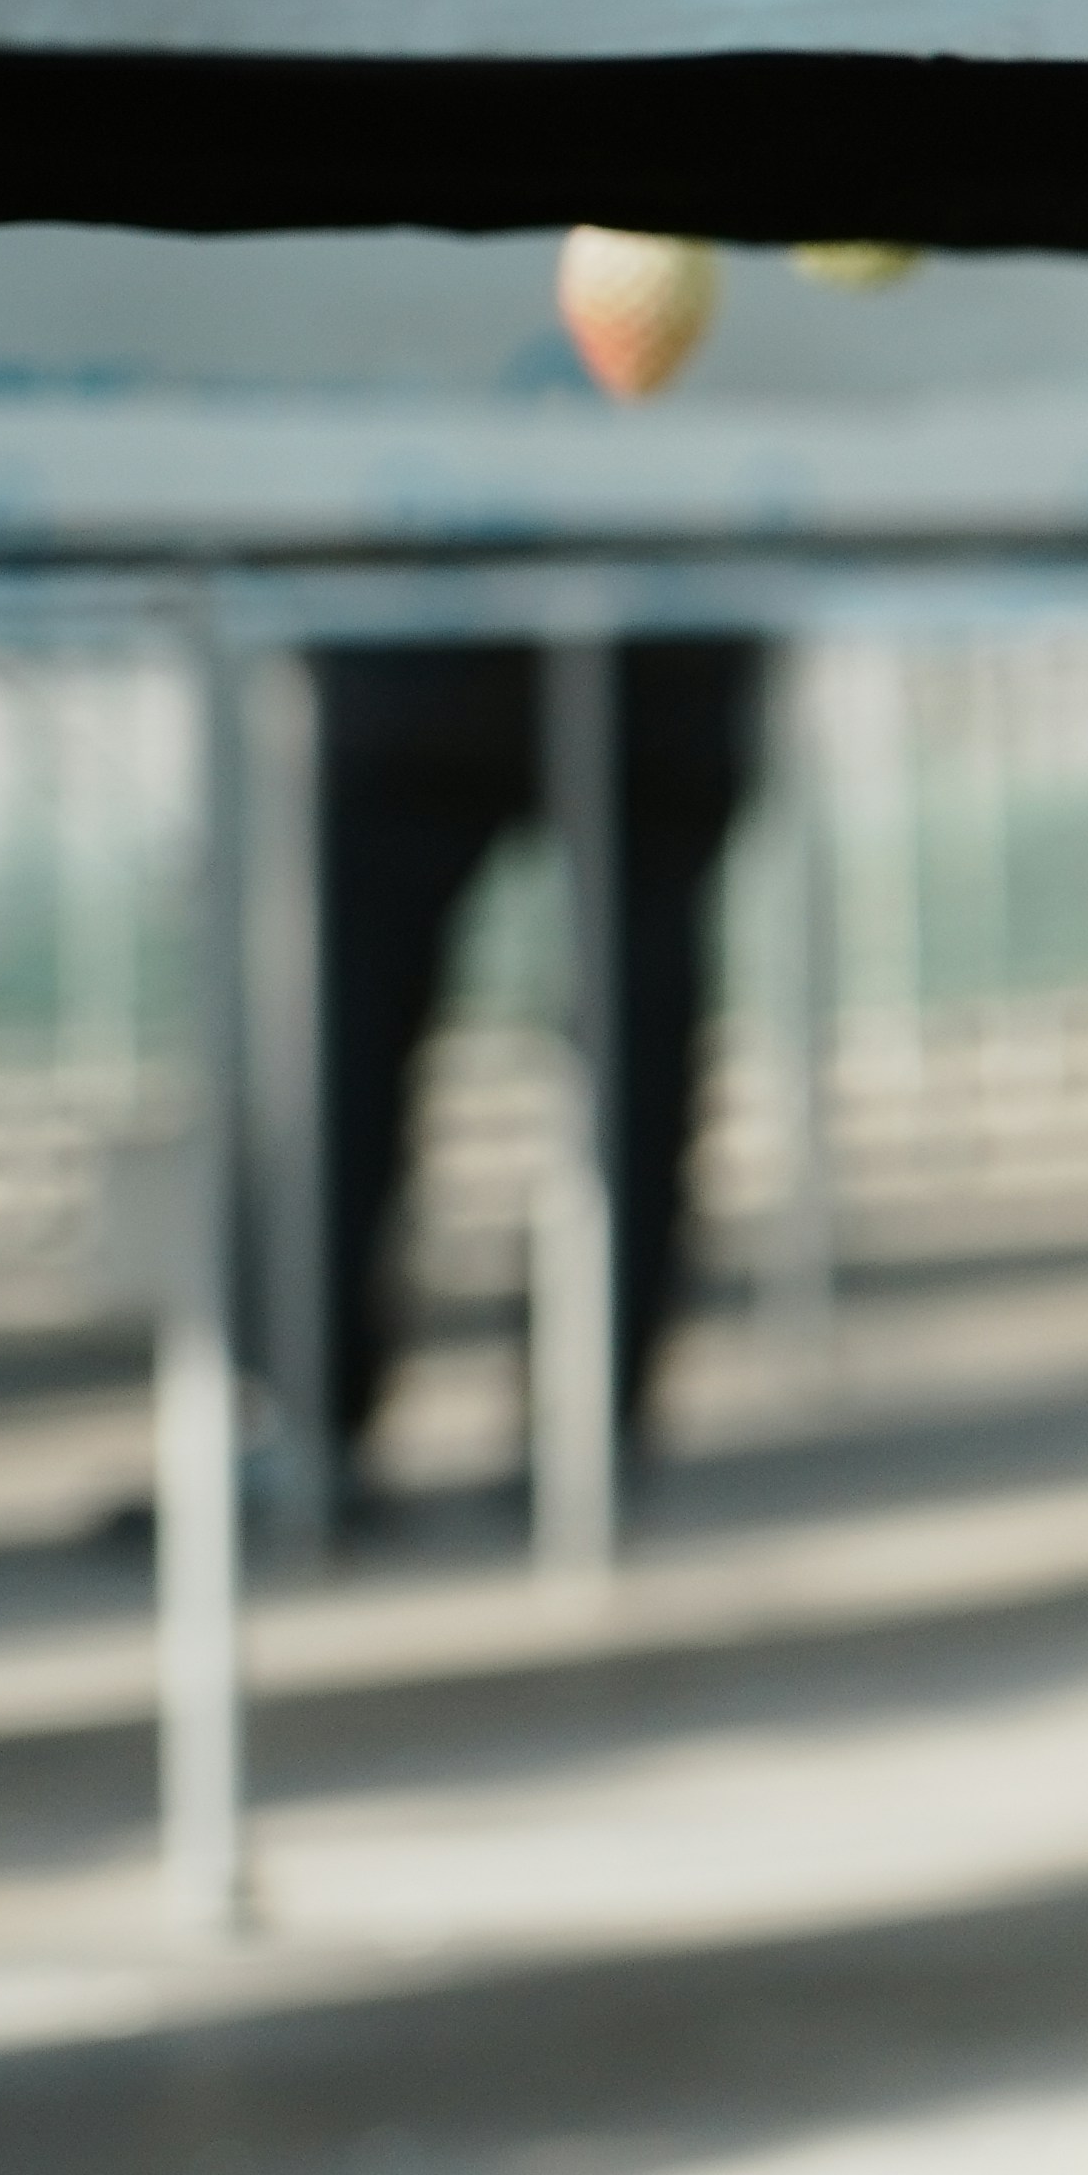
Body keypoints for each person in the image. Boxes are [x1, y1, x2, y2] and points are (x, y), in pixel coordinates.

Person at [298, 628, 768, 1521]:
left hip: (430, 623)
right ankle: (584, 1428)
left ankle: (313, 1416)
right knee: (640, 1025)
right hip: (661, 620)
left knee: (349, 1015)